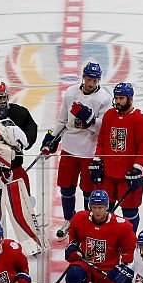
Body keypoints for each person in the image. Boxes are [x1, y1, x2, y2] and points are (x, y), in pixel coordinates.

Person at [42, 62, 113, 239]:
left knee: (88, 190)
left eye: (94, 80)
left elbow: (104, 128)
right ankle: (69, 220)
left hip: (89, 151)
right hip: (68, 148)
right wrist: (52, 139)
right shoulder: (71, 92)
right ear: (83, 77)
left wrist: (90, 120)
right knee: (66, 188)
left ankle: (86, 222)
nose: (91, 83)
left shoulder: (104, 98)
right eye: (88, 79)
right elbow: (62, 120)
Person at [62, 189, 137, 283]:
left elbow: (130, 249)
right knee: (73, 272)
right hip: (86, 264)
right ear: (90, 206)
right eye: (95, 207)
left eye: (101, 207)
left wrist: (125, 268)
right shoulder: (79, 218)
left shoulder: (122, 225)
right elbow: (74, 239)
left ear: (107, 207)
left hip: (108, 270)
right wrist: (71, 249)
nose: (97, 211)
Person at [91, 82, 143, 231]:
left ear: (130, 99)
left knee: (130, 211)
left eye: (121, 98)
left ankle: (129, 242)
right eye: (116, 98)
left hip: (129, 175)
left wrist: (138, 168)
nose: (118, 101)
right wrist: (98, 160)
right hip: (109, 174)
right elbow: (102, 141)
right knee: (105, 211)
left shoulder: (141, 118)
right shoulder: (109, 115)